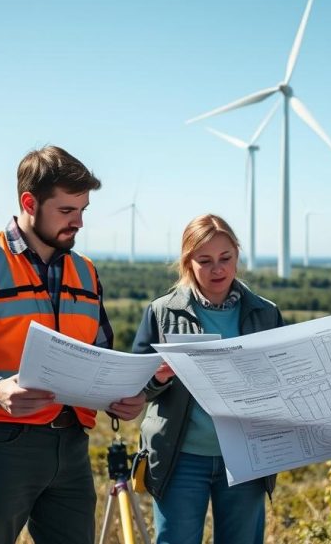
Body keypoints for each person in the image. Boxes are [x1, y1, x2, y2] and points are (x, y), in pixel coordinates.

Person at [0, 145, 146, 544]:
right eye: (66, 211)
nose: (78, 223)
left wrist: (120, 396)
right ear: (29, 202)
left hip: (71, 445)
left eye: (83, 211)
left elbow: (101, 354)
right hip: (0, 447)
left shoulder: (85, 271)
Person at [131, 214, 284, 544]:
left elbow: (285, 381)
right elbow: (134, 387)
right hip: (180, 458)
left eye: (225, 258)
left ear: (237, 255)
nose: (218, 269)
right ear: (188, 262)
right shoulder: (161, 312)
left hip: (245, 458)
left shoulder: (266, 313)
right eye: (205, 261)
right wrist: (157, 377)